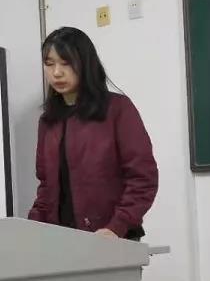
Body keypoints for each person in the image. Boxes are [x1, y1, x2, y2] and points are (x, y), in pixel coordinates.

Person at [28, 27, 158, 240]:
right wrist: (32, 227)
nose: (57, 72)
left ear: (85, 64)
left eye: (66, 63)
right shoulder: (48, 120)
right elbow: (46, 187)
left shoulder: (117, 109)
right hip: (60, 240)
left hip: (111, 239)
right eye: (49, 64)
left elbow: (143, 178)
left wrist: (117, 226)